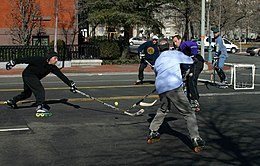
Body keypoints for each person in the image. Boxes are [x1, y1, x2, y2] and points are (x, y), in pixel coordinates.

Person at [147, 48, 205, 152]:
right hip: (173, 86)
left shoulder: (159, 58)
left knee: (163, 109)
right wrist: (194, 60)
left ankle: (153, 131)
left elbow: (157, 72)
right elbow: (190, 61)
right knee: (188, 112)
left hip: (161, 87)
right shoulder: (176, 54)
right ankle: (196, 138)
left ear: (159, 48)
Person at [5, 51, 77, 117]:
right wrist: (13, 62)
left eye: (57, 59)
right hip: (28, 75)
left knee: (27, 94)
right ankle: (40, 107)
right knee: (40, 90)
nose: (56, 60)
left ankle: (12, 101)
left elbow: (61, 76)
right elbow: (25, 59)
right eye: (55, 58)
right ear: (50, 58)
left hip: (32, 77)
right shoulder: (39, 59)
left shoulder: (52, 67)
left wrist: (70, 84)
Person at [172, 34, 204, 111]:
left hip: (197, 62)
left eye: (176, 41)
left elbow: (193, 44)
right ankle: (193, 100)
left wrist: (193, 55)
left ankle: (194, 101)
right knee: (189, 81)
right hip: (192, 64)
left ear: (180, 40)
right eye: (173, 42)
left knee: (191, 80)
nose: (175, 44)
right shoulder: (179, 50)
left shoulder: (184, 44)